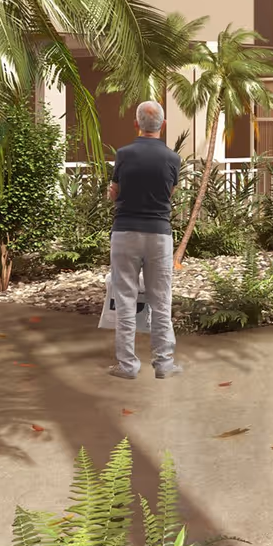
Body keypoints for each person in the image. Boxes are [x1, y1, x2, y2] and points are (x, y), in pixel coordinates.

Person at [105, 100, 183, 380]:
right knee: (161, 301)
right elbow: (169, 194)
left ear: (136, 124)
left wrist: (112, 193)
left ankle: (127, 366)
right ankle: (163, 364)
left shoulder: (123, 154)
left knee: (125, 300)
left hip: (125, 232)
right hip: (159, 234)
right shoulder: (173, 159)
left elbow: (115, 192)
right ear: (162, 125)